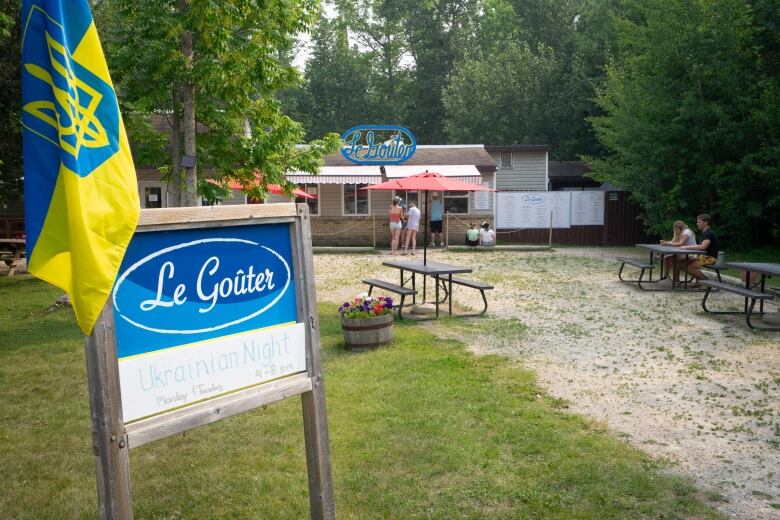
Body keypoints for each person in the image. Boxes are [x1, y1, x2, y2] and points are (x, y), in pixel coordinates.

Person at [680, 213, 720, 287]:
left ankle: (709, 284)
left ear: (706, 222)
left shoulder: (709, 233)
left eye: (699, 222)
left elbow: (703, 247)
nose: (697, 223)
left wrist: (686, 247)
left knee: (691, 267)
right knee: (682, 264)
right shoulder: (705, 233)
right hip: (704, 257)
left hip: (711, 258)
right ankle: (699, 282)